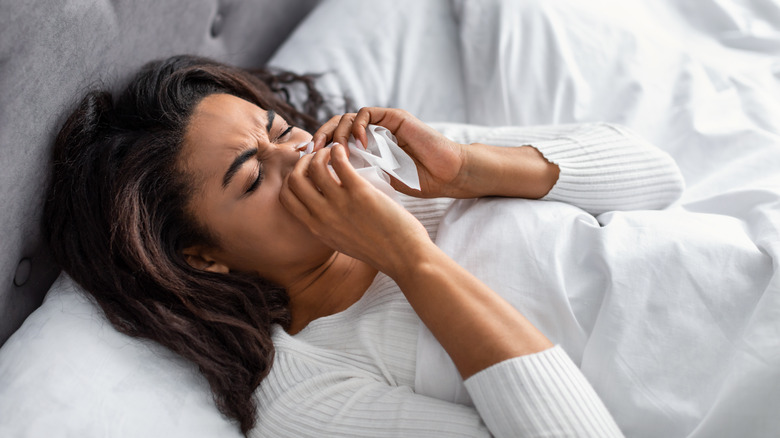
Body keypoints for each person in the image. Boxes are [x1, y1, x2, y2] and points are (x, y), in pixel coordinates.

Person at [44, 55, 683, 437]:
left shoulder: (403, 169)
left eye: (277, 129)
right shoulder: (306, 397)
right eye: (253, 176)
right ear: (204, 257)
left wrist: (465, 167)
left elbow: (659, 180)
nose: (295, 153)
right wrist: (411, 260)